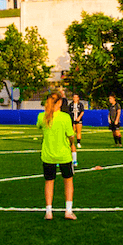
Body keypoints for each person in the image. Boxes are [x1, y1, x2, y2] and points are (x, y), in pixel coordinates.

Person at [37, 92, 77, 220]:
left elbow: (39, 127)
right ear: (59, 102)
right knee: (68, 181)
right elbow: (71, 135)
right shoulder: (65, 117)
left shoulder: (42, 116)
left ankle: (49, 211)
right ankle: (68, 211)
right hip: (64, 155)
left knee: (49, 182)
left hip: (48, 155)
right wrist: (72, 144)